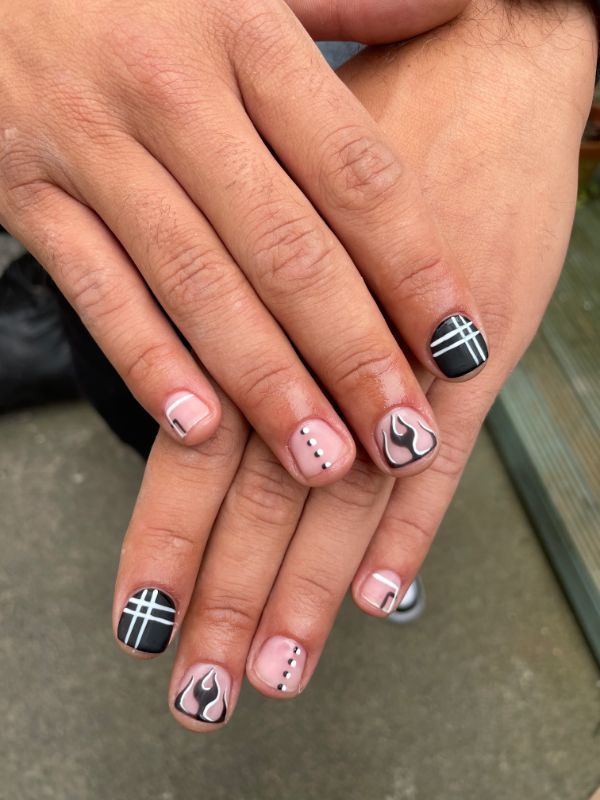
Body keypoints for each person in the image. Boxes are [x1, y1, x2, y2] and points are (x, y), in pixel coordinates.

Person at [0, 0, 596, 730]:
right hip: (106, 86)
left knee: (418, 410)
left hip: (455, 82)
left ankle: (363, 553)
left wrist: (539, 30)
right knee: (161, 387)